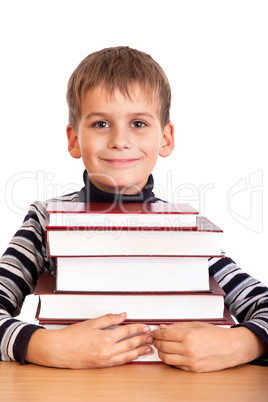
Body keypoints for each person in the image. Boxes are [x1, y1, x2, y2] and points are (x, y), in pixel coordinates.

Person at [0, 46, 267, 371]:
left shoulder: (188, 231)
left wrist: (241, 343)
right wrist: (44, 345)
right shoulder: (46, 221)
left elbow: (262, 305)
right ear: (73, 140)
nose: (120, 140)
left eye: (138, 123)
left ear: (165, 139)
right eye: (100, 124)